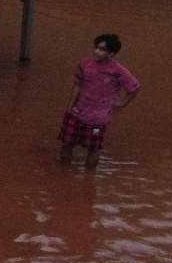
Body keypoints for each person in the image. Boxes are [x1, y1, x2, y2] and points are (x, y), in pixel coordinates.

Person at [59, 33, 140, 169]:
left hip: (98, 118)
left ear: (111, 54)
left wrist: (121, 104)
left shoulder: (118, 71)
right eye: (96, 48)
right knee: (66, 143)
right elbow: (77, 84)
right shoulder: (85, 64)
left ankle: (89, 177)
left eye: (102, 49)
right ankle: (63, 173)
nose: (96, 51)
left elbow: (134, 88)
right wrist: (70, 106)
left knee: (93, 148)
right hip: (77, 111)